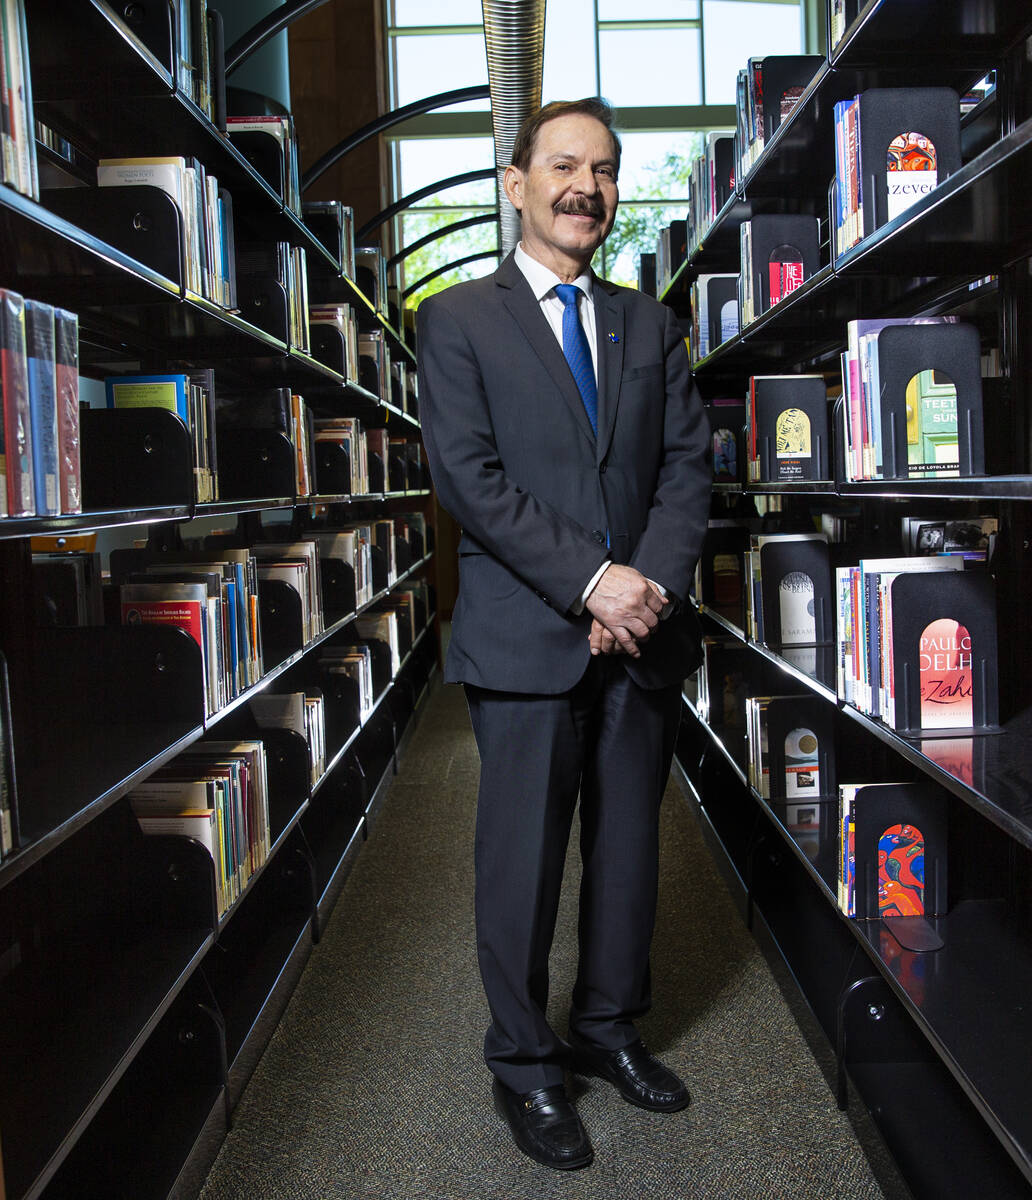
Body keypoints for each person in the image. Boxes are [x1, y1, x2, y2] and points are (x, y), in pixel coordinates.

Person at [416, 97, 711, 1171]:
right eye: (563, 166)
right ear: (517, 182)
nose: (585, 186)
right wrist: (592, 582)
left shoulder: (651, 321)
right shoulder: (457, 321)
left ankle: (607, 1032)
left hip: (641, 638)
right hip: (528, 637)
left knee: (630, 853)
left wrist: (644, 593)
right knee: (522, 863)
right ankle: (527, 1066)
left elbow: (686, 472)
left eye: (604, 169)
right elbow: (469, 482)